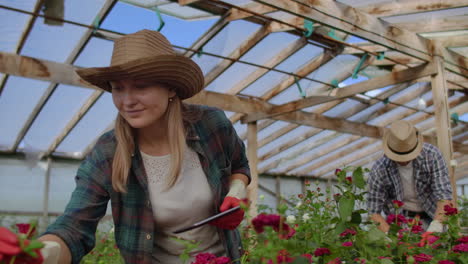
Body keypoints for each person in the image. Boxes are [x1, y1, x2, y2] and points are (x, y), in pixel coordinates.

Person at [38, 29, 251, 264]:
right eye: (118, 88)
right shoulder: (108, 152)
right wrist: (43, 253)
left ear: (171, 88)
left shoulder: (210, 125)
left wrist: (236, 193)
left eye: (140, 86)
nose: (127, 101)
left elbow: (239, 165)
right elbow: (75, 225)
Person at [367, 120, 453, 233]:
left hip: (433, 215)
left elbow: (444, 196)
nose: (404, 160)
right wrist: (393, 236)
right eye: (399, 156)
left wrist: (436, 227)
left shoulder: (432, 156)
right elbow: (373, 212)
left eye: (407, 154)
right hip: (400, 222)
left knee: (437, 248)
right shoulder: (380, 169)